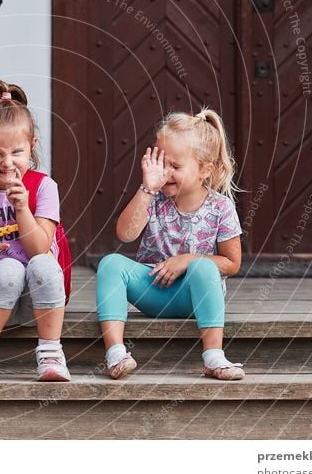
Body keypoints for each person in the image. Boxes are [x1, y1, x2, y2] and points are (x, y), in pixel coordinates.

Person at [96, 108, 244, 380]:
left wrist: (188, 259)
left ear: (204, 170)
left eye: (175, 167)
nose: (166, 173)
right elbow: (125, 234)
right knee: (110, 264)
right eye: (162, 164)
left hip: (194, 298)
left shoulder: (220, 208)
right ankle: (116, 353)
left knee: (204, 268)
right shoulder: (154, 199)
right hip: (152, 292)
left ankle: (213, 356)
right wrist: (147, 190)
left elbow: (232, 263)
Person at [0, 78, 70, 382]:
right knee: (8, 268)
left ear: (31, 147)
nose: (7, 163)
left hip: (40, 299)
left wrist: (22, 208)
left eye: (17, 152)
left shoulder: (44, 188)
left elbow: (38, 248)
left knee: (44, 263)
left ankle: (50, 351)